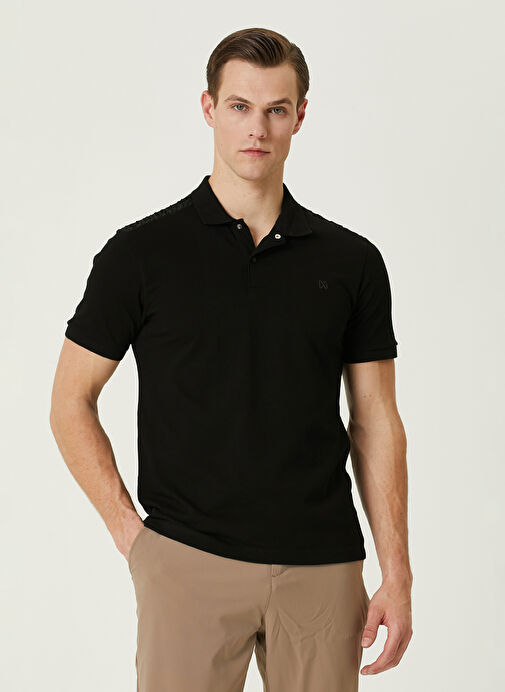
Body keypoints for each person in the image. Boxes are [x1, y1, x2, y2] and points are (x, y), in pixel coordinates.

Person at [50, 26, 412, 691]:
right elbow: (70, 400)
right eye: (240, 106)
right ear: (209, 108)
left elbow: (376, 419)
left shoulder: (351, 262)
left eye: (276, 109)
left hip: (322, 570)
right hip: (187, 561)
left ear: (300, 116)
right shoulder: (141, 255)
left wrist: (398, 571)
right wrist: (135, 538)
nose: (257, 128)